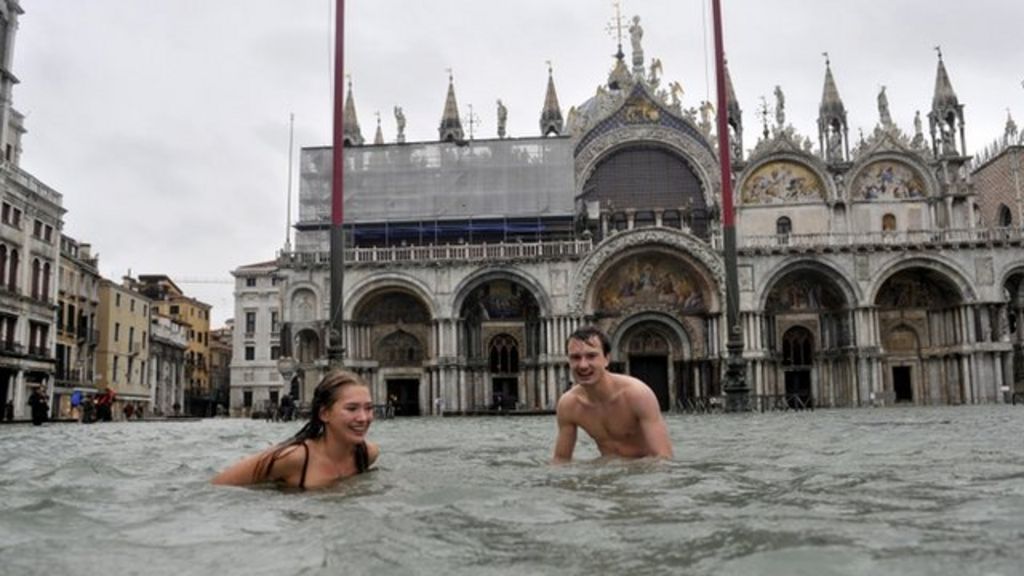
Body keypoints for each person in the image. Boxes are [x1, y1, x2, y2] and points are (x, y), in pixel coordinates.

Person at [212, 370, 379, 490]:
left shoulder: (368, 454)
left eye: (369, 408)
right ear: (324, 414)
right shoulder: (294, 457)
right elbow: (219, 485)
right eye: (352, 409)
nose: (363, 418)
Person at [553, 326, 673, 462]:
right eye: (575, 357)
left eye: (591, 356)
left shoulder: (637, 395)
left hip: (643, 474)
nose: (583, 365)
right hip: (606, 473)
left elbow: (663, 458)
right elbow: (561, 460)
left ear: (606, 359)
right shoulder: (569, 404)